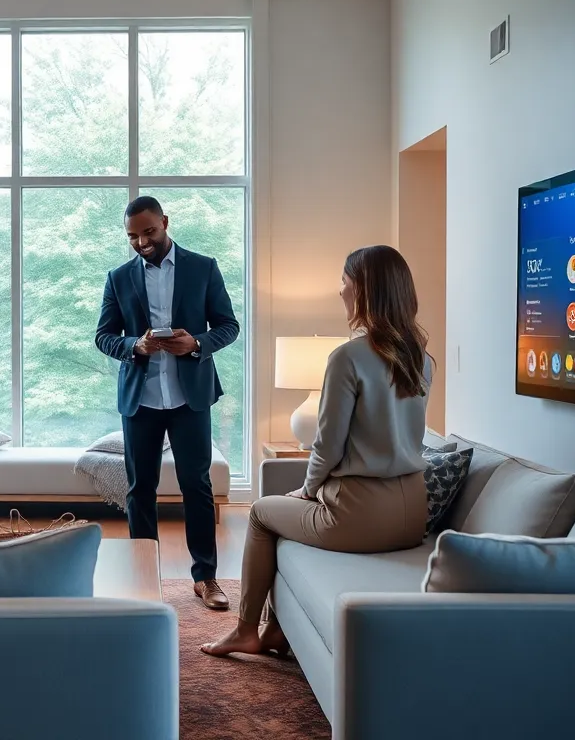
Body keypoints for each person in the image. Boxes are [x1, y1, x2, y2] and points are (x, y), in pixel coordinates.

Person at [202, 244, 432, 657]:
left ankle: (246, 630)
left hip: (360, 514)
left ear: (363, 291)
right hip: (413, 512)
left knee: (259, 512)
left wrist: (307, 490)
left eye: (344, 284)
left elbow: (326, 445)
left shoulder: (348, 357)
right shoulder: (422, 359)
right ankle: (275, 630)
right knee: (281, 512)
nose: (340, 292)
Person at [94, 195, 240, 611]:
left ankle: (206, 578)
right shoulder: (118, 277)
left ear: (165, 222)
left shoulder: (203, 267)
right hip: (141, 399)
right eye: (133, 236)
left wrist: (196, 343)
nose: (141, 242)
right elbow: (104, 336)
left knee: (197, 485)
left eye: (149, 232)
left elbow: (228, 325)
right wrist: (133, 345)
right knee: (141, 489)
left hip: (190, 397)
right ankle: (144, 577)